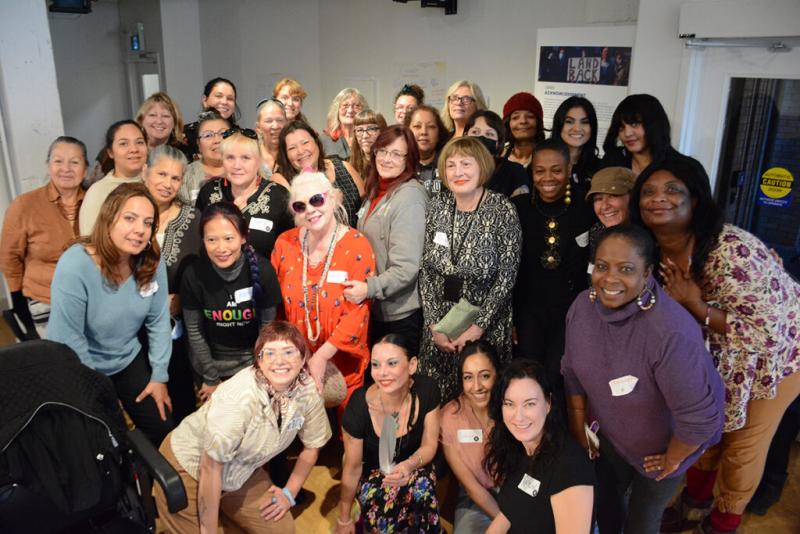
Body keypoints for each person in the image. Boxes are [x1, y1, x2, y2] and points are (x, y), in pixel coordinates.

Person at [628, 154, 800, 534]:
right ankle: (693, 507)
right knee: (705, 431)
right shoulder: (649, 250)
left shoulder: (730, 249)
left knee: (742, 448)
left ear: (696, 200)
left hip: (777, 359)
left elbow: (768, 332)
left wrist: (695, 305)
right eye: (649, 191)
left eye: (674, 190)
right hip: (717, 358)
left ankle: (723, 523)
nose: (659, 198)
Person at [562, 224, 725, 534]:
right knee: (606, 503)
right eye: (601, 266)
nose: (609, 279)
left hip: (663, 450)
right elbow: (571, 371)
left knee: (643, 519)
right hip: (612, 435)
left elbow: (700, 420)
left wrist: (672, 459)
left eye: (626, 269)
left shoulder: (669, 333)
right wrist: (577, 425)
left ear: (648, 272)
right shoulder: (582, 307)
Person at [154, 321, 332, 533]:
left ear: (303, 358)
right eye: (270, 353)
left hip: (242, 469)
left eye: (289, 352)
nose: (280, 361)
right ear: (258, 360)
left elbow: (312, 446)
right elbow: (210, 468)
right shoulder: (237, 400)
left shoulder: (308, 391)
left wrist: (289, 493)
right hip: (191, 467)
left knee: (282, 530)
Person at [49, 183, 173, 445]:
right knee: (106, 441)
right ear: (108, 218)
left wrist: (159, 376)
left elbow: (159, 320)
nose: (140, 229)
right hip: (81, 366)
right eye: (130, 218)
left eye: (148, 223)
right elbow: (69, 340)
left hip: (127, 358)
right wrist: (101, 391)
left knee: (163, 429)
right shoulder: (75, 264)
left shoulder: (150, 260)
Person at [419, 136, 521, 402]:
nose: (458, 172)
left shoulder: (502, 210)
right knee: (436, 399)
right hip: (441, 322)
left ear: (482, 167)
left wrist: (477, 328)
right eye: (450, 165)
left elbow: (507, 277)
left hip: (485, 323)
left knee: (481, 398)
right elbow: (426, 270)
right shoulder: (437, 206)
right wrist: (433, 325)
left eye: (466, 163)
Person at [271, 172, 376, 411]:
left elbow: (358, 312)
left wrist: (321, 357)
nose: (310, 210)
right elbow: (276, 308)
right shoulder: (285, 243)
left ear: (333, 198)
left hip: (342, 361)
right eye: (300, 206)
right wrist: (299, 354)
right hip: (296, 359)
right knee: (304, 435)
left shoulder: (357, 244)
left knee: (345, 437)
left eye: (316, 200)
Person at [336, 334, 442, 533]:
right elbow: (352, 468)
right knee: (386, 509)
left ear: (412, 365)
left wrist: (408, 465)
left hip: (415, 464)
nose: (382, 373)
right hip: (373, 473)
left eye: (392, 363)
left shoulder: (427, 390)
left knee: (422, 490)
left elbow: (429, 445)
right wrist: (343, 518)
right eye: (376, 365)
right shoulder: (359, 406)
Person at [181, 201, 282, 404]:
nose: (221, 248)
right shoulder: (193, 274)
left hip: (253, 362)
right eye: (212, 240)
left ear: (243, 237)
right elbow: (194, 331)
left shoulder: (263, 270)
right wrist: (210, 377)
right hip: (210, 366)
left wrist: (259, 369)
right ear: (203, 240)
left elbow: (267, 328)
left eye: (229, 238)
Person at [512, 139, 595, 384]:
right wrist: (513, 317)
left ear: (569, 170)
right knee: (528, 376)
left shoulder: (587, 206)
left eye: (557, 170)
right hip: (528, 311)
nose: (548, 178)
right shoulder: (517, 208)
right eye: (540, 171)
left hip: (571, 312)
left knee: (559, 376)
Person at [342, 125, 427, 352]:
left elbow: (406, 268)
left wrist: (369, 288)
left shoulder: (409, 196)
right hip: (377, 309)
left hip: (399, 316)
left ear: (409, 160)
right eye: (383, 151)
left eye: (397, 154)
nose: (387, 159)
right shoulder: (376, 189)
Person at [485, 360, 595, 534]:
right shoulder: (520, 447)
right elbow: (510, 512)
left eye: (529, 404)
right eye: (509, 404)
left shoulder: (570, 466)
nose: (518, 417)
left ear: (548, 403)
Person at [0, 136, 87, 337]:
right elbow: (9, 257)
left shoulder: (97, 201)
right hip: (45, 299)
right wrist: (18, 300)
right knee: (56, 360)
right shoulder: (25, 205)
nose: (66, 168)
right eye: (58, 161)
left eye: (74, 162)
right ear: (48, 166)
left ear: (85, 169)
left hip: (91, 297)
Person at [143, 145, 200, 423]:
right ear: (145, 172)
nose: (168, 184)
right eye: (161, 174)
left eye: (175, 178)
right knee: (147, 406)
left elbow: (203, 272)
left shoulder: (193, 219)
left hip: (178, 330)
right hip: (134, 332)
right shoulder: (126, 214)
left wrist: (183, 297)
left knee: (181, 402)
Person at [195, 128, 293, 259]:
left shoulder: (279, 196)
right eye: (230, 158)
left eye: (245, 158)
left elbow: (290, 250)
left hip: (263, 277)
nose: (237, 165)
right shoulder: (208, 192)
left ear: (258, 161)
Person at [440, 341, 502, 533]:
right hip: (474, 499)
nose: (477, 386)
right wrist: (506, 523)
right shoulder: (449, 417)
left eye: (485, 376)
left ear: (497, 375)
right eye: (468, 377)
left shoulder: (512, 406)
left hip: (517, 493)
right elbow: (471, 486)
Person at [275, 120, 364, 227]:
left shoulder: (344, 167)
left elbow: (366, 211)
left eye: (305, 142)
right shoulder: (281, 181)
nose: (301, 151)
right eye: (292, 148)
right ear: (285, 155)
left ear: (316, 142)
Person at [79, 120, 148, 235]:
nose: (134, 149)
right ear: (110, 152)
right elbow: (89, 241)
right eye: (123, 144)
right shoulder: (98, 191)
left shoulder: (158, 183)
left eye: (140, 142)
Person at [601, 94, 672, 177]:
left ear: (654, 124)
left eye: (634, 124)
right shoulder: (612, 161)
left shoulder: (682, 167)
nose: (627, 133)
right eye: (621, 127)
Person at [465, 110, 530, 198]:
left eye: (489, 134)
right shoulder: (454, 169)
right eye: (475, 132)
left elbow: (521, 206)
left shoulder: (514, 172)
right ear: (465, 136)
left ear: (498, 142)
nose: (482, 138)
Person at [179, 110, 231, 205]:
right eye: (208, 135)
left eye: (223, 134)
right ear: (198, 144)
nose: (217, 140)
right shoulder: (185, 175)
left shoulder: (246, 169)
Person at [585, 166, 636, 258]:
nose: (605, 206)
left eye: (614, 195)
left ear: (633, 196)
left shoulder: (653, 231)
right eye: (598, 199)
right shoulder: (597, 232)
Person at [550, 96, 600, 186]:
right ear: (559, 125)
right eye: (569, 121)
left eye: (584, 122)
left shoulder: (601, 168)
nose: (577, 128)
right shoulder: (542, 162)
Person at [183, 77, 239, 158]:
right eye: (219, 96)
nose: (224, 102)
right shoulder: (185, 135)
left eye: (230, 98)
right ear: (205, 100)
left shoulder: (240, 136)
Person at [406, 104, 451, 197]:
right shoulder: (400, 165)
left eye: (431, 126)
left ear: (439, 133)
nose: (424, 132)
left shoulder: (449, 163)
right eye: (417, 126)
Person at [135, 91, 189, 158]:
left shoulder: (185, 152)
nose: (159, 121)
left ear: (175, 122)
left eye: (165, 116)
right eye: (152, 115)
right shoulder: (133, 152)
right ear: (141, 120)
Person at [321, 88, 368, 161]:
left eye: (356, 106)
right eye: (345, 105)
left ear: (363, 110)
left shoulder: (370, 137)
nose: (350, 110)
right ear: (337, 110)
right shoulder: (324, 140)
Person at [502, 92, 545, 168]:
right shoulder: (498, 156)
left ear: (538, 122)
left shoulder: (548, 156)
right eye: (516, 117)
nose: (523, 121)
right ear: (508, 123)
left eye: (530, 116)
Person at [349, 109, 387, 179]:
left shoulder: (391, 166)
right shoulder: (350, 167)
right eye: (359, 130)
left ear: (382, 131)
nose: (365, 136)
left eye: (371, 129)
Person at [255, 97, 288, 178]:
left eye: (280, 120)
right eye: (268, 121)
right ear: (258, 128)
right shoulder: (251, 154)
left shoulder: (292, 153)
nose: (275, 126)